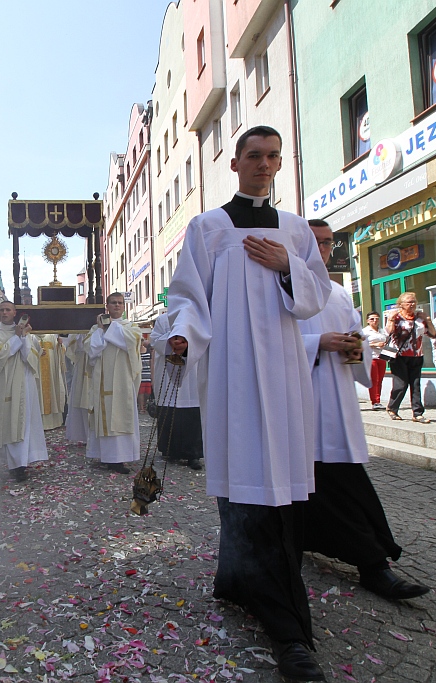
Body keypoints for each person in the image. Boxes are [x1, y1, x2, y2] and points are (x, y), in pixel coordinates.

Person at [165, 126, 332, 682]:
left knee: (279, 498)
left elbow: (317, 296)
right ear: (234, 163)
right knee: (243, 491)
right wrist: (183, 334)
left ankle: (287, 628)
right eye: (254, 156)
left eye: (272, 157)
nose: (264, 164)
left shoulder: (297, 229)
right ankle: (242, 583)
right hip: (234, 378)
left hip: (284, 380)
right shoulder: (208, 227)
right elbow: (188, 295)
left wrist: (288, 266)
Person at [300, 219, 429, 601]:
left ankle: (373, 564)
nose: (323, 249)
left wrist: (349, 347)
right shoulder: (282, 286)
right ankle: (368, 563)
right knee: (317, 488)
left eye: (327, 243)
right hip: (302, 404)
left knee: (343, 484)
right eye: (314, 242)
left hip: (336, 401)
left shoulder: (339, 294)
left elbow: (358, 341)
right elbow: (268, 341)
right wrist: (316, 343)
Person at [0, 301, 48, 482]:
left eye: (7, 309)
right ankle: (16, 465)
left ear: (14, 312)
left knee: (25, 423)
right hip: (7, 384)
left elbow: (30, 358)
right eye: (1, 310)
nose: (4, 312)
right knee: (12, 422)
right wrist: (17, 338)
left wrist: (24, 337)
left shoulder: (26, 333)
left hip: (26, 384)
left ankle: (25, 460)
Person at [83, 293, 143, 475]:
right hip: (103, 380)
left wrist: (107, 330)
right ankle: (105, 456)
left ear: (124, 307)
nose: (117, 306)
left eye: (120, 303)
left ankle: (120, 457)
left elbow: (131, 344)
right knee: (104, 415)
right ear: (107, 306)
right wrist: (102, 330)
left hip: (123, 381)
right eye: (113, 303)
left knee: (122, 415)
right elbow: (91, 350)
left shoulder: (131, 327)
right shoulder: (96, 328)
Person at [149, 312, 203, 470]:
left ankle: (193, 454)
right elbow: (155, 340)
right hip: (168, 373)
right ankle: (171, 451)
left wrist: (187, 340)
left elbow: (202, 340)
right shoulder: (163, 319)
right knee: (169, 411)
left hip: (191, 374)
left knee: (192, 414)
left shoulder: (196, 317)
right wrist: (172, 338)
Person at [385, 291, 436, 423]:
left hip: (417, 355)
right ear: (401, 304)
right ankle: (392, 407)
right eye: (408, 302)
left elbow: (433, 334)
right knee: (401, 384)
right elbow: (388, 333)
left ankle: (417, 413)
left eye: (414, 302)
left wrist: (428, 320)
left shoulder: (419, 319)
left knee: (415, 383)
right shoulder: (396, 317)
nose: (412, 304)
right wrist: (390, 319)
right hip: (399, 355)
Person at [38, 334, 67, 430]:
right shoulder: (31, 336)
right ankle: (39, 423)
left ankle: (52, 422)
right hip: (37, 373)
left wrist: (60, 345)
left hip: (51, 372)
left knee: (52, 394)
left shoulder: (50, 336)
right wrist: (37, 352)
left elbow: (60, 352)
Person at [64, 333, 89, 444]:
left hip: (95, 363)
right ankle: (82, 433)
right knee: (80, 398)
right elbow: (71, 346)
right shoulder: (76, 331)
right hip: (81, 363)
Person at [361, 311, 388, 410]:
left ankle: (378, 400)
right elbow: (360, 344)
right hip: (371, 357)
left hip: (382, 357)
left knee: (380, 380)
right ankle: (375, 401)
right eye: (372, 319)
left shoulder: (382, 331)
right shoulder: (365, 332)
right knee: (373, 379)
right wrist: (375, 344)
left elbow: (386, 341)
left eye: (377, 318)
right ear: (368, 321)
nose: (375, 321)